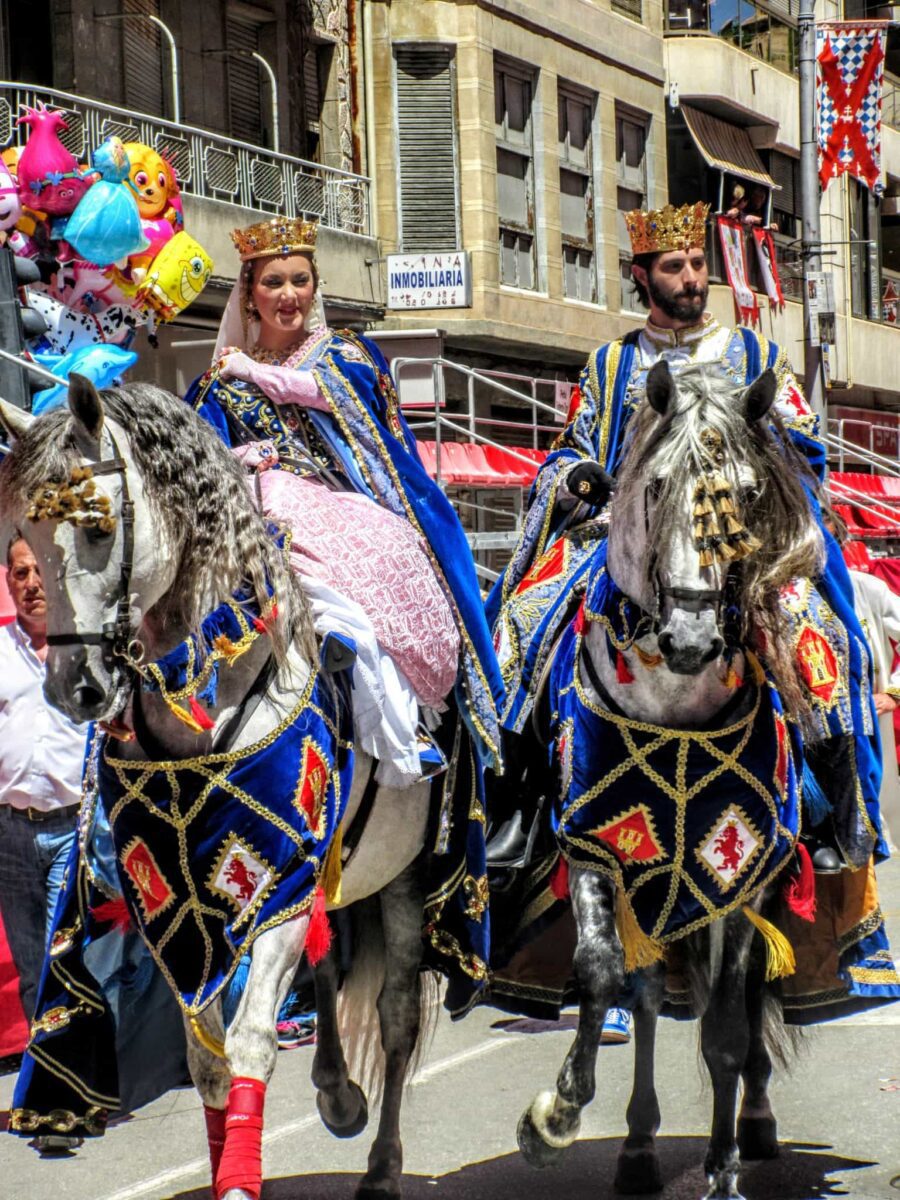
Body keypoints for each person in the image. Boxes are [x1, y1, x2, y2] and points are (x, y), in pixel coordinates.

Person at [485, 200, 892, 1029]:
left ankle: (835, 812)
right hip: (629, 548)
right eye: (673, 268)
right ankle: (516, 814)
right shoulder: (608, 366)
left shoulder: (753, 354)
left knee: (826, 643)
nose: (692, 278)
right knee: (519, 630)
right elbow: (573, 451)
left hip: (738, 551)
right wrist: (571, 484)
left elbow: (805, 448)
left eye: (698, 264)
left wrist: (766, 469)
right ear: (643, 277)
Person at [186, 216, 503, 788]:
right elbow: (196, 466)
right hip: (256, 516)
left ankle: (422, 723)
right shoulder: (217, 385)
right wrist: (240, 460)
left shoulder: (345, 354)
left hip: (349, 506)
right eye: (274, 283)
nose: (289, 297)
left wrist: (258, 372)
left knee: (401, 551)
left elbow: (341, 398)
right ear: (248, 296)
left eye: (300, 281)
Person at [0, 536, 86, 1024]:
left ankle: (79, 1086)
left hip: (70, 829)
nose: (31, 583)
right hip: (10, 833)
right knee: (33, 967)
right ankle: (45, 1086)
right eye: (19, 574)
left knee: (65, 960)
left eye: (39, 572)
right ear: (8, 582)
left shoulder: (84, 651)